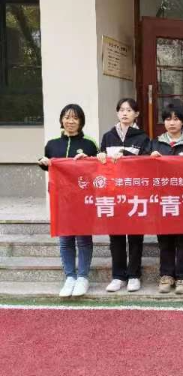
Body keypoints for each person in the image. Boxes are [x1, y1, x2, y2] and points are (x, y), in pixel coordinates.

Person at [38, 104, 98, 298]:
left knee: (83, 239)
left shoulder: (89, 143)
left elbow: (97, 169)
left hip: (83, 199)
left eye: (75, 118)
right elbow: (49, 166)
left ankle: (83, 277)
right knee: (65, 240)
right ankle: (70, 276)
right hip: (60, 199)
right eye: (67, 117)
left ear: (81, 121)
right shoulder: (52, 144)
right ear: (61, 120)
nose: (70, 121)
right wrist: (44, 163)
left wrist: (88, 159)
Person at [97, 98, 150, 293]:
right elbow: (101, 163)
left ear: (136, 114)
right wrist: (101, 156)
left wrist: (126, 154)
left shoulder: (142, 137)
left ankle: (134, 275)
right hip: (113, 192)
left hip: (135, 193)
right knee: (116, 237)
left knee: (135, 236)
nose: (125, 113)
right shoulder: (108, 136)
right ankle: (118, 275)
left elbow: (146, 163)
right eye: (121, 110)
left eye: (129, 110)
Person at [149, 103, 183, 295]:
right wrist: (150, 159)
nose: (172, 123)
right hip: (163, 199)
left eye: (176, 119)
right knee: (165, 238)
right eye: (168, 119)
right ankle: (166, 275)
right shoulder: (155, 144)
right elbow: (144, 172)